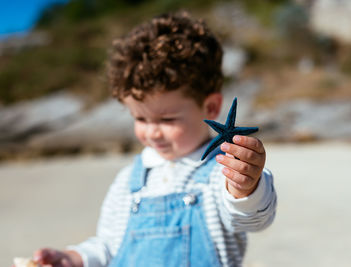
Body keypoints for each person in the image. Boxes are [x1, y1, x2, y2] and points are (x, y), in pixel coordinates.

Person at [31, 11, 277, 267]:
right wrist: (71, 258)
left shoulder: (221, 172)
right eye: (141, 119)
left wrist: (245, 187)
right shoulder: (128, 181)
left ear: (211, 108)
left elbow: (253, 220)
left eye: (167, 119)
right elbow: (107, 246)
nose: (152, 132)